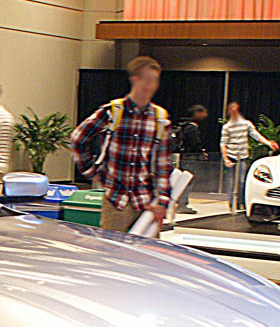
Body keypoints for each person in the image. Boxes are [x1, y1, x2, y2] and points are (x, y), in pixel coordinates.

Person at [69, 56, 172, 235]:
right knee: (111, 249)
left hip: (146, 201)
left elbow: (163, 164)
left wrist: (162, 201)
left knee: (147, 251)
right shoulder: (112, 111)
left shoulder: (160, 118)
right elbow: (78, 138)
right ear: (134, 79)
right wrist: (91, 172)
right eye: (146, 79)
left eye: (155, 80)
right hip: (115, 200)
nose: (151, 85)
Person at [220, 102, 277, 212]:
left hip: (242, 156)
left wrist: (268, 143)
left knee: (241, 181)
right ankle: (232, 204)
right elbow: (223, 143)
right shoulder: (227, 127)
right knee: (231, 182)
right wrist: (226, 158)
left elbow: (256, 135)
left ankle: (240, 202)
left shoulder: (246, 124)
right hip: (231, 156)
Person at [173, 103, 208, 214]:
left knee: (183, 179)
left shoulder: (184, 126)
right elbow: (194, 143)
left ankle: (180, 202)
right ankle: (182, 204)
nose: (205, 115)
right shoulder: (192, 128)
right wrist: (200, 152)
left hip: (184, 156)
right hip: (190, 157)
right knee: (187, 180)